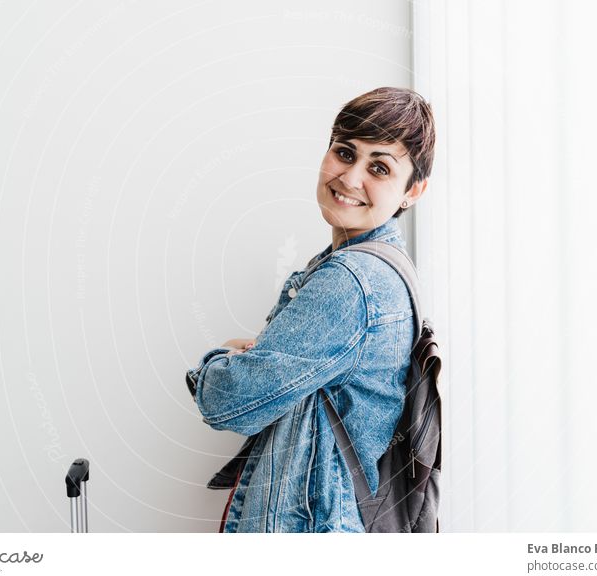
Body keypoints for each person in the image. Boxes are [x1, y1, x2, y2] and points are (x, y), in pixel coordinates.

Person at [186, 86, 436, 533]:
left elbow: (230, 402)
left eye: (379, 167)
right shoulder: (383, 269)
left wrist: (220, 362)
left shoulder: (353, 281)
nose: (351, 177)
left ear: (412, 191)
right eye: (345, 152)